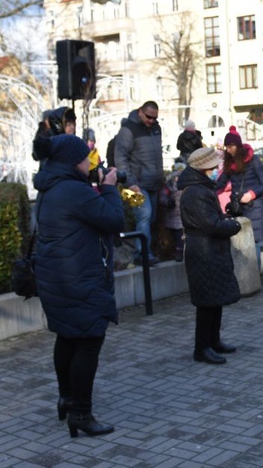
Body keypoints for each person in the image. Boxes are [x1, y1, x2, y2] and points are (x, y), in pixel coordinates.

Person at [32, 135, 125, 438]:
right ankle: (81, 413)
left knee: (68, 337)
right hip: (78, 278)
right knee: (88, 341)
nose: (91, 162)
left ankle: (66, 398)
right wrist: (109, 188)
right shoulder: (73, 189)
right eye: (86, 157)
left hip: (54, 278)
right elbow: (113, 220)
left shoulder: (51, 187)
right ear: (74, 161)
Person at [178, 147, 242, 365]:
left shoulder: (201, 188)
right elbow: (210, 224)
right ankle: (202, 347)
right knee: (207, 301)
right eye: (214, 167)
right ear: (204, 168)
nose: (217, 171)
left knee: (215, 299)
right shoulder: (196, 192)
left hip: (209, 248)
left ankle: (213, 341)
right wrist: (233, 225)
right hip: (203, 250)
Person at [115, 100, 164, 266]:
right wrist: (130, 184)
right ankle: (142, 254)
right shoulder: (128, 130)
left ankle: (146, 251)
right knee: (144, 215)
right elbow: (120, 158)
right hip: (134, 185)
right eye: (149, 117)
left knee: (150, 219)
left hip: (153, 183)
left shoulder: (156, 128)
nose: (152, 120)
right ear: (140, 112)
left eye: (155, 118)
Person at [216, 126, 263, 270]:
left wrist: (251, 195)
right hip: (237, 208)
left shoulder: (253, 160)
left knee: (254, 243)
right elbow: (220, 183)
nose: (227, 150)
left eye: (230, 146)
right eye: (226, 147)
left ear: (237, 146)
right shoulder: (229, 163)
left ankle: (254, 278)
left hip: (254, 207)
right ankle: (245, 279)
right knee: (239, 243)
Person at [160, 159, 186, 262]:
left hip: (183, 213)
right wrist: (167, 202)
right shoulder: (169, 185)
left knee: (181, 235)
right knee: (177, 235)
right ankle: (176, 252)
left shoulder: (186, 185)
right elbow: (163, 197)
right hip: (174, 213)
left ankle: (180, 251)